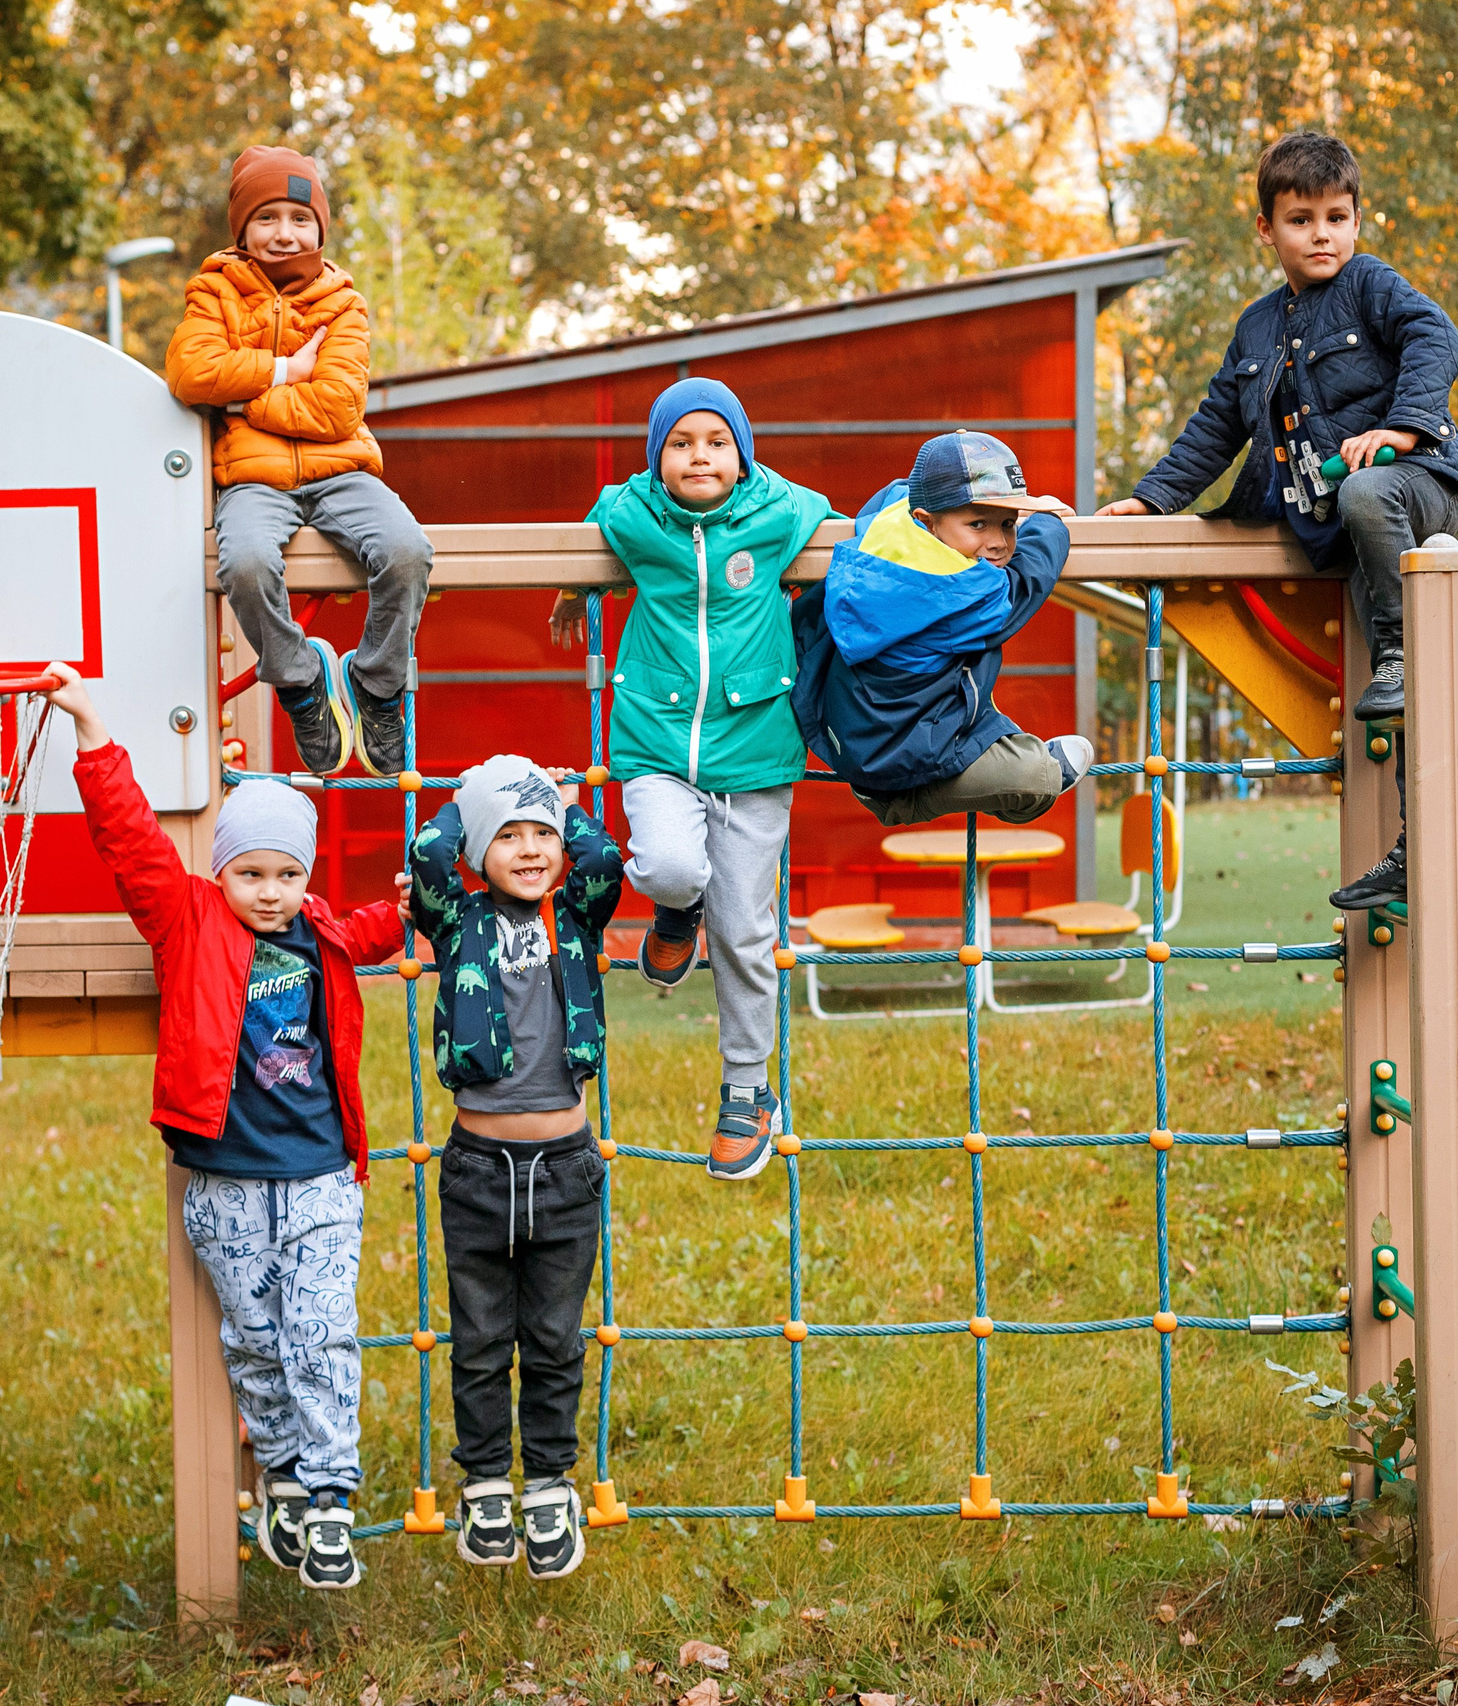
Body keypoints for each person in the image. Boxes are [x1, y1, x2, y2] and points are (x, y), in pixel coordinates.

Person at [48, 662, 403, 1592]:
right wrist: (92, 730)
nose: (272, 891)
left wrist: (409, 908)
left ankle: (329, 1497)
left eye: (289, 874)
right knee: (252, 1339)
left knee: (321, 1331)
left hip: (323, 1175)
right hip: (227, 1183)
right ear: (222, 871)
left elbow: (369, 930)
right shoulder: (188, 919)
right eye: (252, 873)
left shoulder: (318, 930)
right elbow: (130, 842)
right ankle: (285, 1477)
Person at [1097, 130, 1458, 911]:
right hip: (1335, 522)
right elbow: (1214, 428)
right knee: (1379, 662)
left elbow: (1435, 336)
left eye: (1338, 217)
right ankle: (1411, 850)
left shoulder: (1371, 286)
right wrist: (1151, 500)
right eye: (1302, 219)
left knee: (1370, 514)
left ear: (1358, 222)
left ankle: (1401, 651)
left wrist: (1404, 428)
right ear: (1267, 230)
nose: (1323, 235)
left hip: (1416, 488)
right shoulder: (1257, 330)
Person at [547, 379, 833, 1182]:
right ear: (657, 458)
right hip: (656, 738)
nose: (699, 455)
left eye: (717, 441)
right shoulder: (634, 513)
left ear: (742, 455)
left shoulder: (781, 512)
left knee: (745, 930)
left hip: (756, 748)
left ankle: (747, 1088)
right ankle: (676, 906)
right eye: (680, 443)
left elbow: (849, 522)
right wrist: (578, 586)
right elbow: (596, 520)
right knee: (670, 863)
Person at [405, 754, 625, 1579]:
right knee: (481, 1336)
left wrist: (562, 804)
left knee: (554, 1338)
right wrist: (471, 802)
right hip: (478, 1169)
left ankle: (550, 1486)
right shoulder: (455, 921)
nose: (531, 849)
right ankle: (489, 1483)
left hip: (566, 1166)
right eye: (508, 835)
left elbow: (602, 861)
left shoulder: (577, 915)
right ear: (477, 848)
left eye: (541, 834)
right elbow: (427, 858)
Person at [166, 144, 432, 780]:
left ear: (319, 227)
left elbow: (338, 408)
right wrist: (287, 370)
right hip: (253, 479)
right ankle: (300, 682)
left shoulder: (343, 303)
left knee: (406, 551)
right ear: (242, 227)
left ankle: (376, 684)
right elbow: (188, 372)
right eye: (267, 218)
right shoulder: (214, 293)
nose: (284, 233)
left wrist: (243, 403)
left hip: (340, 469)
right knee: (247, 562)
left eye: (299, 218)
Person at [791, 430, 1096, 826]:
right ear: (927, 522)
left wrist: (1002, 512)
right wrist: (1050, 525)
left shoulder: (884, 528)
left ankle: (905, 779)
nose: (999, 543)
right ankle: (899, 800)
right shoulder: (961, 594)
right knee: (1037, 779)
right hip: (893, 753)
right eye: (978, 524)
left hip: (861, 731)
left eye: (1008, 524)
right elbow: (1027, 583)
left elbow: (898, 491)